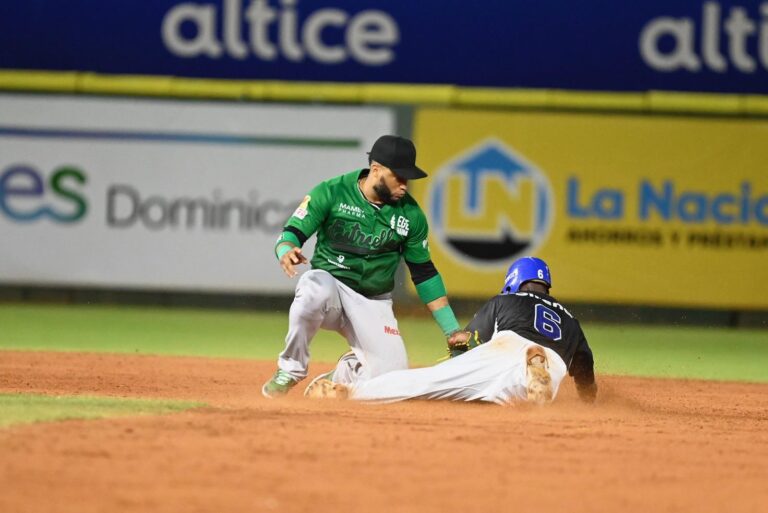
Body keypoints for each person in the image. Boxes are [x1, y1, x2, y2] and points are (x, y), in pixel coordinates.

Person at [262, 135, 462, 398]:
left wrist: (452, 329)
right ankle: (290, 369)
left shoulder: (411, 215)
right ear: (376, 170)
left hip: (373, 301)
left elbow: (424, 273)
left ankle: (343, 373)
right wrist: (285, 250)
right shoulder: (332, 192)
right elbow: (291, 233)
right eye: (399, 176)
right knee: (312, 288)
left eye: (408, 178)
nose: (405, 185)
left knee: (390, 377)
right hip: (331, 289)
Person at [304, 256, 597, 406]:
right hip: (555, 362)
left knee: (425, 383)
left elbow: (466, 347)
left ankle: (350, 392)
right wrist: (588, 400)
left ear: (514, 281)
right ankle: (532, 370)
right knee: (524, 400)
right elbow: (585, 372)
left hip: (508, 346)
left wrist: (452, 368)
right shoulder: (571, 320)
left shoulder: (505, 300)